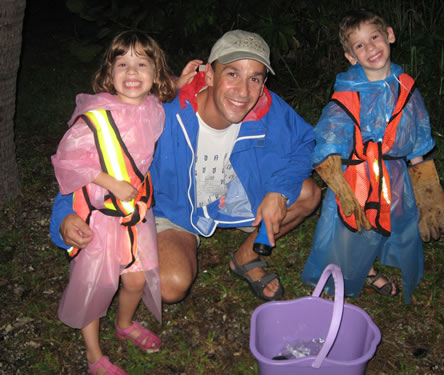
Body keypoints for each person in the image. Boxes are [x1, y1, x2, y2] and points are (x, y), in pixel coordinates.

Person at [50, 29, 321, 307]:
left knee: (307, 194)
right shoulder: (160, 110)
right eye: (232, 74)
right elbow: (89, 158)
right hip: (176, 210)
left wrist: (278, 191)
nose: (243, 91)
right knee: (170, 286)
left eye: (255, 78)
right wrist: (65, 215)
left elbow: (306, 141)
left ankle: (246, 256)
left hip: (232, 199)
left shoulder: (265, 106)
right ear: (210, 75)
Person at [51, 31, 200, 375]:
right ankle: (93, 355)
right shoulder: (96, 117)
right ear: (110, 72)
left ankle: (125, 323)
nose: (132, 72)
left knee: (135, 280)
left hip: (136, 216)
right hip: (100, 216)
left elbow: (158, 98)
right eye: (123, 64)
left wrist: (179, 82)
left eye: (142, 64)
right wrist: (110, 183)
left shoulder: (150, 106)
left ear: (155, 75)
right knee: (95, 284)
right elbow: (67, 161)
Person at [301, 9, 444, 304]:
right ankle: (360, 271)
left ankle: (374, 259)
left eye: (374, 37)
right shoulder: (348, 94)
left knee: (396, 217)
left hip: (395, 174)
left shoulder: (406, 87)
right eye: (359, 45)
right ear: (350, 56)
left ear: (390, 36)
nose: (370, 48)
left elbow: (418, 130)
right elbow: (330, 132)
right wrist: (332, 167)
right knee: (355, 228)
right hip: (356, 178)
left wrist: (425, 181)